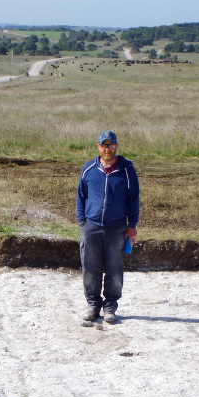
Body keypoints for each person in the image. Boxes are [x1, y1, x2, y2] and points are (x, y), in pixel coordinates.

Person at [76, 130, 139, 324]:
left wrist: (132, 226)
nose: (107, 148)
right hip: (92, 227)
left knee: (114, 268)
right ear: (98, 147)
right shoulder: (89, 169)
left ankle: (110, 307)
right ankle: (93, 305)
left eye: (110, 145)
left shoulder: (127, 170)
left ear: (116, 147)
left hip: (116, 227)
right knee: (90, 268)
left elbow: (133, 199)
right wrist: (82, 222)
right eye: (104, 145)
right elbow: (81, 196)